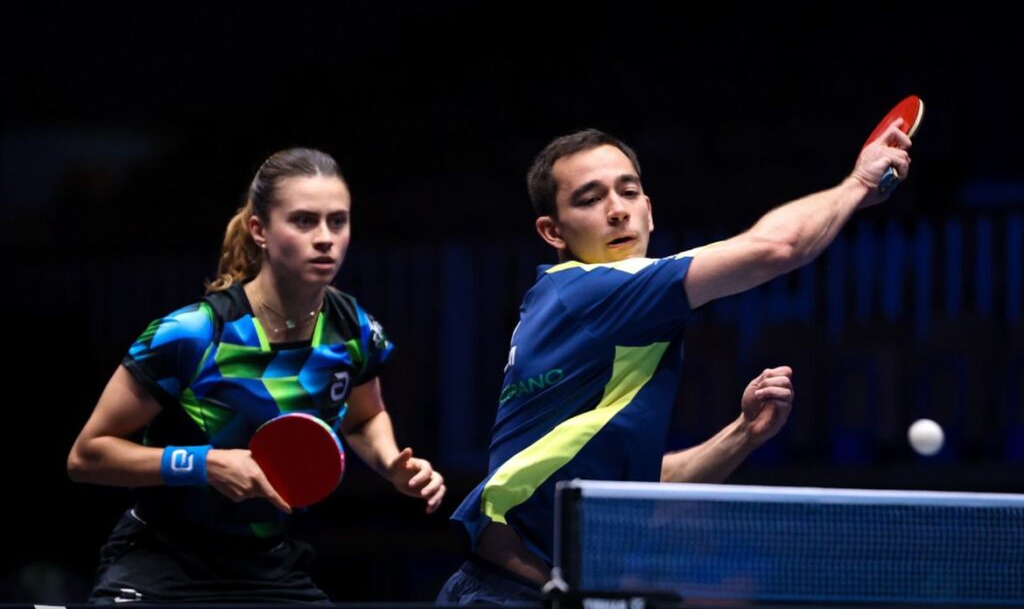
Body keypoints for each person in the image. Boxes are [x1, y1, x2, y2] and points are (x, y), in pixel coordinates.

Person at [439, 123, 912, 604]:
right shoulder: (594, 292)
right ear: (552, 231)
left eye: (628, 192)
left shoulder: (576, 309)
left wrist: (743, 433)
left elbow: (634, 490)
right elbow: (777, 247)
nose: (617, 210)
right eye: (590, 199)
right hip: (506, 595)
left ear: (649, 210)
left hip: (543, 590)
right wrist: (857, 184)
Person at [67, 147, 446, 604]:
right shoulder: (194, 333)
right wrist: (205, 464)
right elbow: (87, 456)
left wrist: (392, 464)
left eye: (338, 221)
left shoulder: (353, 329)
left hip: (270, 568)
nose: (325, 239)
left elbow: (363, 418)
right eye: (303, 221)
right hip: (161, 563)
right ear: (259, 230)